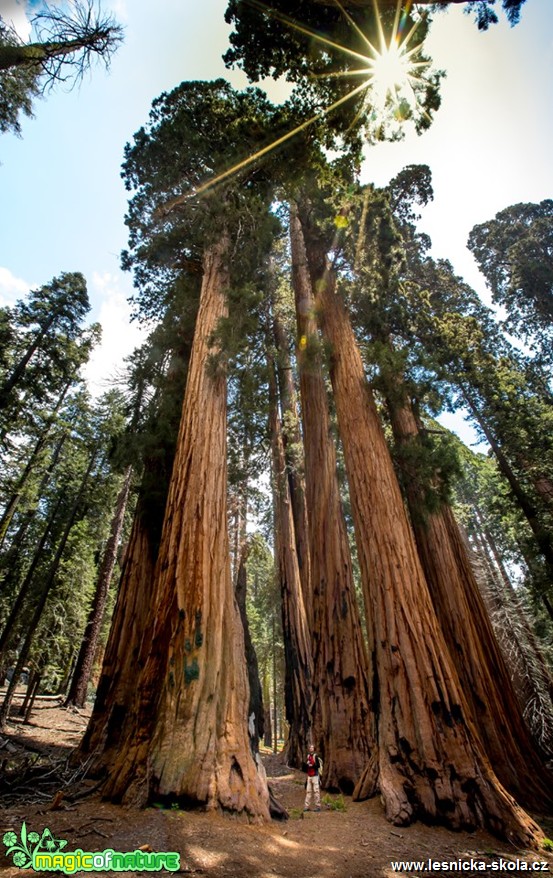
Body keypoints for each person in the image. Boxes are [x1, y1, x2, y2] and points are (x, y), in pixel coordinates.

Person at [303, 743, 321, 812]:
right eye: (310, 747)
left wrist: (312, 765)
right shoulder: (308, 756)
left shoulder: (315, 756)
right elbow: (305, 767)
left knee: (316, 791)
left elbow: (318, 766)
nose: (311, 749)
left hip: (315, 776)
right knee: (308, 791)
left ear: (314, 749)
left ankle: (318, 806)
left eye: (312, 748)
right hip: (309, 776)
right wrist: (307, 765)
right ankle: (306, 806)